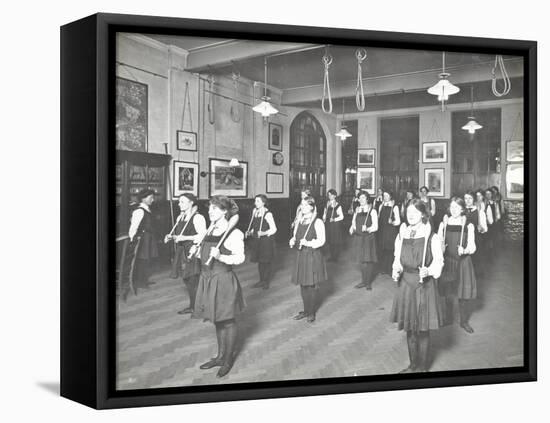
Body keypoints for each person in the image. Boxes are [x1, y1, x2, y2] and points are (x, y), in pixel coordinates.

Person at [193, 196, 245, 378]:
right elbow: (205, 252)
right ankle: (220, 356)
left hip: (223, 280)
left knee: (228, 320)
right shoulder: (211, 228)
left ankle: (228, 359)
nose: (210, 212)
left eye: (215, 209)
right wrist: (197, 251)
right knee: (217, 319)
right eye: (209, 209)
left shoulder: (234, 233)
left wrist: (220, 256)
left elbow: (239, 258)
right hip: (207, 278)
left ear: (224, 211)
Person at [390, 199, 444, 373]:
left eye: (415, 211)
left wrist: (428, 271)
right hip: (405, 284)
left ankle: (422, 368)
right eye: (408, 211)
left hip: (423, 286)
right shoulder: (402, 233)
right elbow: (397, 258)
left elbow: (439, 262)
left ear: (423, 214)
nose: (411, 215)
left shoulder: (432, 236)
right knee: (410, 328)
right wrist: (396, 269)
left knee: (422, 329)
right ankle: (413, 365)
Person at [438, 197, 477, 333]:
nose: (454, 210)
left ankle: (464, 321)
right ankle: (448, 318)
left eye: (457, 207)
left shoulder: (468, 224)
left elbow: (473, 247)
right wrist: (440, 248)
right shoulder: (444, 223)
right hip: (449, 261)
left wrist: (465, 250)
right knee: (448, 292)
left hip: (463, 262)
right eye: (452, 207)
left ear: (462, 209)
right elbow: (438, 241)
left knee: (462, 294)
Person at [164, 194, 206, 315]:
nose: (179, 204)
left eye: (182, 202)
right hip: (181, 251)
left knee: (193, 279)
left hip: (192, 250)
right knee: (186, 278)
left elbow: (203, 235)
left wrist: (185, 237)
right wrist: (170, 236)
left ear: (191, 203)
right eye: (179, 202)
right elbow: (178, 235)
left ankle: (198, 306)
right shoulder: (180, 217)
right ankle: (195, 305)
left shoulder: (198, 218)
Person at [289, 196, 327, 323]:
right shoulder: (300, 220)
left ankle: (311, 312)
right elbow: (295, 236)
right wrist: (292, 240)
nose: (302, 207)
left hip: (312, 255)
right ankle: (305, 310)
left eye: (305, 205)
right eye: (301, 205)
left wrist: (309, 242)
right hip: (300, 255)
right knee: (303, 284)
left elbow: (321, 241)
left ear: (311, 207)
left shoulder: (317, 222)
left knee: (310, 285)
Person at [128, 189, 158, 290]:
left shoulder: (148, 209)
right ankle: (140, 282)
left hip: (149, 238)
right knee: (142, 259)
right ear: (143, 198)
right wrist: (132, 240)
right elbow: (134, 227)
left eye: (153, 198)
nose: (152, 200)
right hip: (143, 239)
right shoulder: (139, 211)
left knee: (147, 259)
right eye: (151, 198)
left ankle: (144, 279)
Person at [246, 194, 277, 290]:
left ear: (263, 203)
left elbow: (274, 229)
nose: (255, 203)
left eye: (258, 201)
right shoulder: (255, 211)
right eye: (255, 201)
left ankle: (266, 282)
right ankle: (261, 281)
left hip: (266, 241)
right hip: (257, 240)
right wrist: (250, 232)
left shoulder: (268, 214)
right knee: (260, 261)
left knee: (265, 262)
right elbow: (255, 226)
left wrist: (263, 233)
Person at [349, 191, 378, 290]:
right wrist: (352, 228)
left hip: (367, 238)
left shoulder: (372, 211)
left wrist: (368, 228)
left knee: (367, 261)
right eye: (359, 198)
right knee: (361, 260)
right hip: (358, 237)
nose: (361, 200)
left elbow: (376, 226)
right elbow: (353, 221)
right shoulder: (357, 210)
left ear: (367, 199)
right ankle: (363, 281)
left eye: (363, 198)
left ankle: (368, 282)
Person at [377, 190, 401, 274]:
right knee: (383, 249)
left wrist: (392, 222)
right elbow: (378, 217)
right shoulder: (381, 205)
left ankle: (390, 270)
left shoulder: (395, 207)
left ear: (390, 196)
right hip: (382, 230)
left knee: (390, 250)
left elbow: (398, 221)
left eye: (387, 195)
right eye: (384, 195)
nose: (385, 197)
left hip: (391, 231)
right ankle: (383, 268)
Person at [464, 191, 487, 276]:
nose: (468, 200)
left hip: (476, 239)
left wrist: (481, 229)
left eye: (470, 198)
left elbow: (485, 229)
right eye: (466, 198)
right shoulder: (461, 211)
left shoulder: (479, 212)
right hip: (464, 239)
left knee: (475, 261)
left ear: (474, 199)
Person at [323, 189, 344, 262]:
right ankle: (332, 256)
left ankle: (335, 257)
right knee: (330, 241)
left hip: (335, 225)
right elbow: (325, 213)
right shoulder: (327, 203)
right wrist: (324, 218)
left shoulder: (338, 205)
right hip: (328, 224)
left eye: (331, 195)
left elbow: (341, 216)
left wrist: (334, 219)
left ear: (335, 196)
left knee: (335, 241)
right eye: (328, 195)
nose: (329, 196)